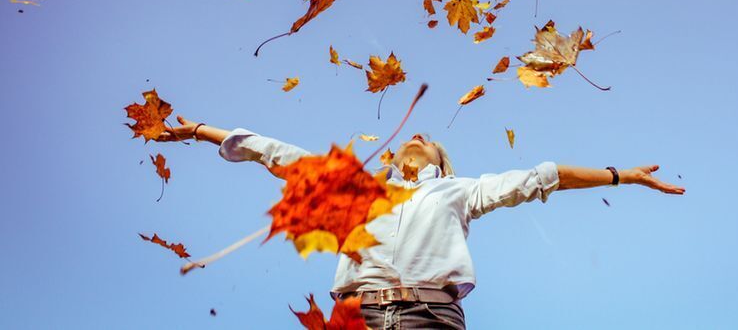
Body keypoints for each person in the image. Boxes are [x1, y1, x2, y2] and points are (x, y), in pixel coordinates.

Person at [159, 115, 684, 329]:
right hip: (355, 316)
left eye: (428, 139)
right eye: (413, 136)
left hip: (430, 317)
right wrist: (201, 130)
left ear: (440, 159)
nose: (418, 136)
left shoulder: (460, 189)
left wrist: (622, 176)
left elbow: (546, 177)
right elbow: (275, 153)